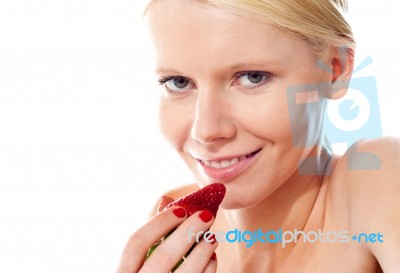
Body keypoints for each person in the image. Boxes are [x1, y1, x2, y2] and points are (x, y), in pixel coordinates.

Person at [117, 0, 400, 272]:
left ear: (335, 70)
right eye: (178, 83)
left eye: (252, 77)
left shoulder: (375, 181)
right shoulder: (174, 225)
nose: (206, 131)